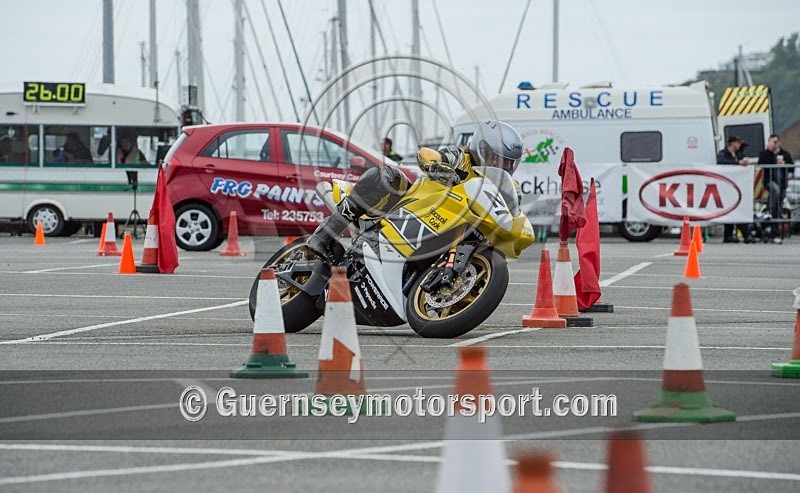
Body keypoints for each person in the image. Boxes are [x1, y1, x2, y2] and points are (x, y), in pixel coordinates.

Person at [307, 120, 524, 256]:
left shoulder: (508, 185)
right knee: (387, 176)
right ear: (482, 149)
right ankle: (324, 234)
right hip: (418, 208)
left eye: (508, 163)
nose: (503, 167)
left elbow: (515, 212)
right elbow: (428, 154)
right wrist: (438, 167)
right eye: (498, 160)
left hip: (457, 228)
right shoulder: (459, 157)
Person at [758, 134, 793, 244]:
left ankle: (771, 229)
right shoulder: (765, 153)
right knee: (775, 191)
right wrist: (772, 157)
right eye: (771, 141)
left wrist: (785, 164)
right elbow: (761, 162)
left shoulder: (785, 154)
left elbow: (791, 166)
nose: (773, 144)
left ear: (779, 143)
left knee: (777, 207)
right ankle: (769, 212)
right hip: (770, 181)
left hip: (782, 183)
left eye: (775, 142)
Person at [716, 136, 749, 243]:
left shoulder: (739, 154)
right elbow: (721, 161)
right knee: (731, 210)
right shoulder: (723, 153)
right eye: (738, 143)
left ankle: (735, 234)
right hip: (727, 186)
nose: (739, 145)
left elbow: (742, 159)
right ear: (732, 143)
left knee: (738, 209)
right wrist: (737, 163)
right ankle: (738, 235)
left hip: (738, 186)